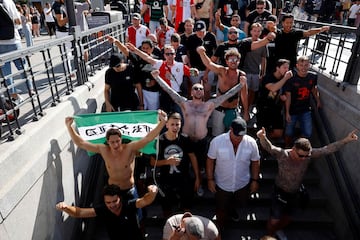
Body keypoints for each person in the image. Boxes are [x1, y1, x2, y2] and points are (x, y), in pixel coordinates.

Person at [256, 127, 358, 240]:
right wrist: (262, 137)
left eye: (307, 156)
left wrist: (346, 140)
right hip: (279, 192)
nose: (304, 158)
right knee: (274, 219)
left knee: (289, 218)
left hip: (295, 193)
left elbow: (327, 149)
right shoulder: (283, 155)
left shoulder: (308, 155)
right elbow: (269, 147)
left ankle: (276, 231)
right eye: (301, 156)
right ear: (294, 149)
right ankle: (270, 236)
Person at [151, 70, 243, 170]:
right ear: (191, 92)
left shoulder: (209, 105)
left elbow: (227, 95)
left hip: (202, 141)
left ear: (203, 92)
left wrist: (241, 85)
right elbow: (169, 90)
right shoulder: (184, 103)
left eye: (201, 89)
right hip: (186, 140)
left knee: (201, 167)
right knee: (184, 166)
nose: (198, 90)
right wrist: (157, 78)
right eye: (195, 88)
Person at [65, 110, 167, 191]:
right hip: (112, 191)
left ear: (121, 139)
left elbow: (148, 138)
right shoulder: (103, 149)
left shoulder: (130, 148)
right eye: (112, 142)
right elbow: (81, 143)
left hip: (129, 189)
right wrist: (69, 127)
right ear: (107, 142)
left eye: (117, 141)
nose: (115, 144)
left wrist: (162, 123)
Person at [206, 117, 260, 230]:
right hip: (222, 184)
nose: (239, 139)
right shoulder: (217, 142)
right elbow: (210, 160)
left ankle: (231, 211)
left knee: (239, 202)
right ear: (230, 129)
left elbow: (255, 161)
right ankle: (220, 226)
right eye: (236, 136)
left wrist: (255, 180)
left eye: (241, 136)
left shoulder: (251, 143)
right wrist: (210, 179)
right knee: (221, 207)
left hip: (242, 184)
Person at [56, 184, 159, 240]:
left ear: (120, 198)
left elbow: (145, 200)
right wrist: (66, 208)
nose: (112, 205)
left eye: (115, 201)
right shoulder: (103, 209)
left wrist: (153, 192)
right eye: (108, 202)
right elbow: (79, 213)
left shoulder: (129, 205)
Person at [150, 112, 200, 218]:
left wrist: (197, 177)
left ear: (181, 125)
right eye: (172, 124)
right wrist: (167, 162)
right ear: (166, 124)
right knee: (166, 209)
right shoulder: (160, 141)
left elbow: (193, 157)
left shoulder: (185, 139)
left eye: (177, 124)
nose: (175, 127)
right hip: (166, 179)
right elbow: (152, 162)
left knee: (187, 207)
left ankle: (186, 227)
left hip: (184, 178)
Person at [126, 42, 198, 114]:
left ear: (175, 55)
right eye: (167, 54)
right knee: (165, 116)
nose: (170, 56)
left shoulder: (181, 66)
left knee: (178, 115)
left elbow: (193, 73)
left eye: (172, 54)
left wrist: (195, 71)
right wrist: (135, 50)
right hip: (165, 94)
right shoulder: (160, 64)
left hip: (177, 94)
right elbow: (147, 58)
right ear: (164, 55)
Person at [197, 46, 249, 136]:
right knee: (217, 136)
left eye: (236, 60)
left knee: (235, 135)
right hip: (219, 110)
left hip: (233, 110)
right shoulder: (222, 71)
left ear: (239, 61)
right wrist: (202, 53)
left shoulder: (241, 75)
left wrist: (246, 112)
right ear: (226, 61)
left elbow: (244, 95)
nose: (233, 62)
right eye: (231, 60)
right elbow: (209, 64)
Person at [107, 36, 161, 111]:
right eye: (143, 48)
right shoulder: (137, 58)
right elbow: (125, 51)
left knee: (154, 114)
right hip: (141, 91)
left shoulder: (157, 60)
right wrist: (116, 41)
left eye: (147, 48)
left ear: (152, 49)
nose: (145, 50)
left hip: (153, 92)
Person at [284, 55, 320, 147]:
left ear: (309, 65)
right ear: (297, 66)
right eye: (301, 65)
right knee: (288, 132)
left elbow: (313, 89)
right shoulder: (291, 79)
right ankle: (287, 147)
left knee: (307, 132)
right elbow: (288, 96)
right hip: (293, 110)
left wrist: (318, 100)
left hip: (305, 109)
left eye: (306, 65)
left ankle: (297, 146)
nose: (303, 68)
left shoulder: (313, 76)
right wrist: (287, 112)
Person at [0, 0, 30, 101]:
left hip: (1, 43)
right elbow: (18, 22)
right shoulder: (9, 2)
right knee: (22, 67)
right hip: (14, 41)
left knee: (7, 73)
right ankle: (31, 90)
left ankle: (14, 96)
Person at [256, 59, 292, 140]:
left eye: (287, 68)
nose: (286, 70)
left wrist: (287, 112)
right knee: (262, 131)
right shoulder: (268, 77)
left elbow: (287, 94)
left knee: (278, 133)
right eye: (284, 68)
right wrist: (285, 79)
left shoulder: (286, 79)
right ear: (277, 68)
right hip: (264, 107)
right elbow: (273, 88)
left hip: (276, 108)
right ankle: (261, 142)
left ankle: (266, 141)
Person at [242, 22, 268, 110]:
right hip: (245, 71)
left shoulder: (263, 44)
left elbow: (264, 59)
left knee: (253, 91)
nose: (256, 33)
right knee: (244, 91)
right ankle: (243, 107)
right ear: (251, 31)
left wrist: (263, 73)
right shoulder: (245, 42)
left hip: (256, 71)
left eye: (258, 31)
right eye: (255, 31)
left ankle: (248, 107)